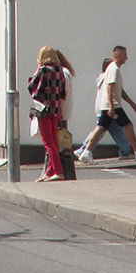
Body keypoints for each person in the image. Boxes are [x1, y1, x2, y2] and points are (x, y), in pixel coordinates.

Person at [77, 44, 136, 162]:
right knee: (128, 126)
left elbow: (118, 90)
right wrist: (111, 106)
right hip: (113, 106)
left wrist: (132, 104)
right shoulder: (114, 69)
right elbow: (109, 87)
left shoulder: (113, 68)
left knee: (101, 128)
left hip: (110, 105)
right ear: (117, 55)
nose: (126, 57)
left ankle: (86, 151)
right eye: (124, 55)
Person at [27, 44, 66, 182]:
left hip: (43, 109)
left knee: (48, 142)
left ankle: (58, 171)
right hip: (55, 108)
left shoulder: (43, 70)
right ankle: (49, 171)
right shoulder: (60, 70)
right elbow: (62, 92)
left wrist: (32, 76)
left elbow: (33, 89)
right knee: (54, 140)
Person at [52, 51, 77, 181]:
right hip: (62, 112)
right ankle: (59, 172)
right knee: (59, 144)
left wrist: (60, 112)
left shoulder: (63, 73)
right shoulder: (64, 72)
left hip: (60, 113)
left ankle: (65, 174)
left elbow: (63, 94)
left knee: (60, 145)